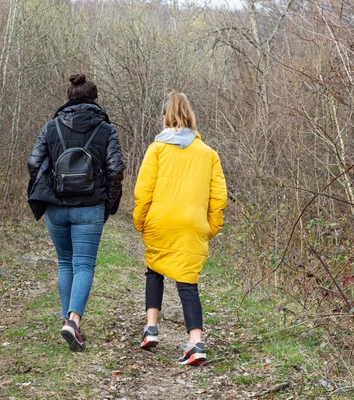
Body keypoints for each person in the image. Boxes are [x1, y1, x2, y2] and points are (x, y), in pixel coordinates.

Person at [27, 74, 124, 351]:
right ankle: (73, 322)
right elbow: (116, 169)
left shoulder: (52, 126)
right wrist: (108, 203)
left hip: (56, 207)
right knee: (83, 264)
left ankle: (67, 322)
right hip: (89, 206)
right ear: (95, 100)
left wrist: (47, 187)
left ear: (68, 98)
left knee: (64, 262)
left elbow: (34, 161)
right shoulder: (106, 130)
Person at [132, 91, 227, 365]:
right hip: (191, 226)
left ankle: (151, 328)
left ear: (165, 118)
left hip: (160, 221)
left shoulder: (157, 149)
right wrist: (210, 228)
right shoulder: (208, 153)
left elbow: (143, 190)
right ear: (190, 117)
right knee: (188, 283)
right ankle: (196, 343)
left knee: (155, 269)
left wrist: (140, 221)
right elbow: (219, 198)